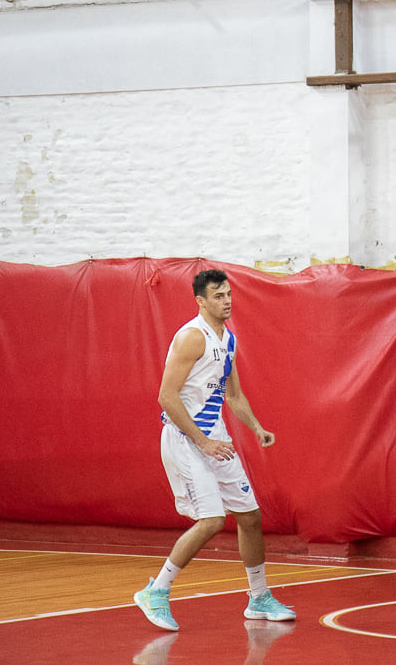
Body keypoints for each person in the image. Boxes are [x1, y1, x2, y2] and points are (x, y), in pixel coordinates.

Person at [134, 269, 295, 631]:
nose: (226, 301)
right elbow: (166, 397)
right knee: (211, 521)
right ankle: (156, 592)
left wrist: (256, 427)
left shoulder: (229, 341)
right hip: (185, 440)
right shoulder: (192, 337)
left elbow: (233, 396)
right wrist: (203, 442)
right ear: (201, 301)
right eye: (218, 296)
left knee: (250, 516)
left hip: (216, 440)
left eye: (228, 295)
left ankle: (259, 598)